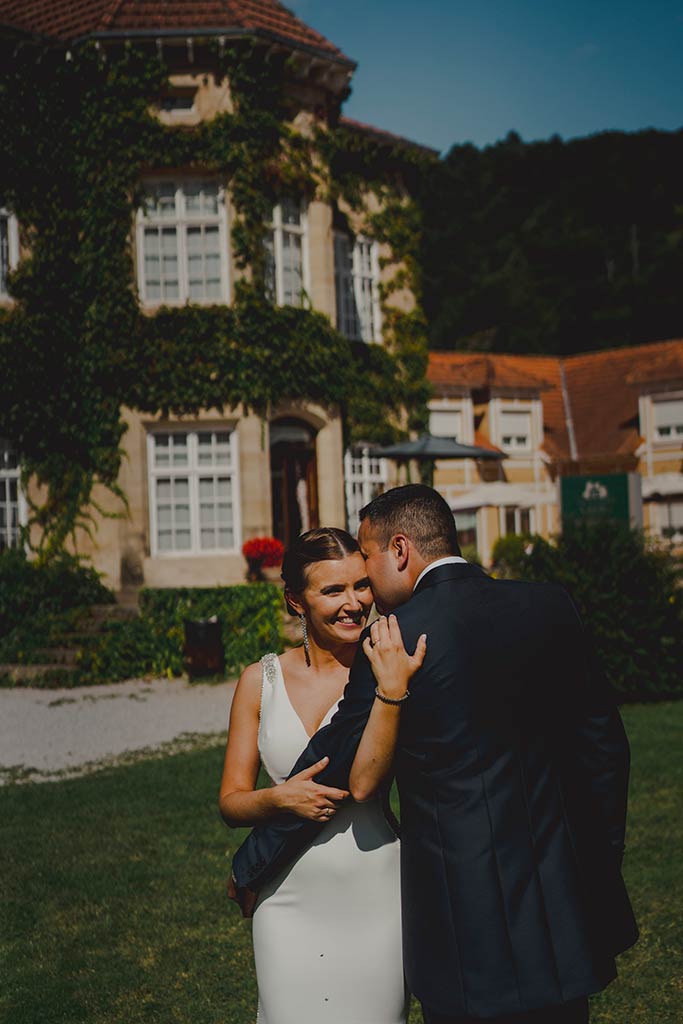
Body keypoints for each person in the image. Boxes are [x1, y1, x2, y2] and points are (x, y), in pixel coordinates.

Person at [231, 485, 638, 1024]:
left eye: (369, 559)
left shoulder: (395, 640)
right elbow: (604, 750)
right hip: (561, 912)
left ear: (399, 550)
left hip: (459, 924)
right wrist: (599, 860)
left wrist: (249, 864)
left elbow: (329, 763)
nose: (367, 584)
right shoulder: (549, 606)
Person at [219, 526, 425, 1024]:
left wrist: (393, 689)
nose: (353, 602)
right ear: (296, 601)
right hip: (286, 898)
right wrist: (279, 800)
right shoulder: (258, 681)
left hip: (376, 888)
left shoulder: (389, 668)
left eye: (361, 585)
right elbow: (231, 801)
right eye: (333, 590)